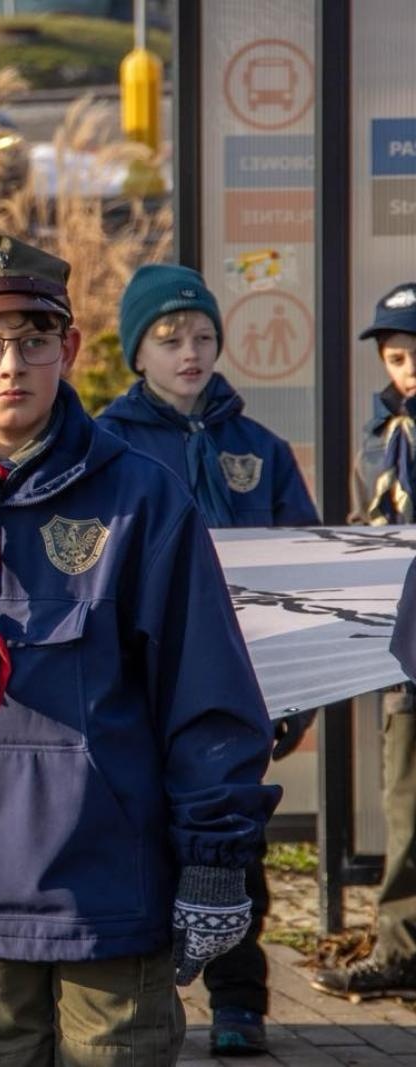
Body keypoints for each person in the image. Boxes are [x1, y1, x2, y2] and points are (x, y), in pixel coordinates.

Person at [0, 235, 280, 1066]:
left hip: (109, 890)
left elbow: (206, 693)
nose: (11, 365)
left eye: (34, 339)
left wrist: (215, 856)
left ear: (69, 349)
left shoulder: (141, 499)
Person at [95, 263, 317, 1055]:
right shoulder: (106, 446)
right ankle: (146, 997)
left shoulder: (258, 448)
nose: (189, 352)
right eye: (168, 339)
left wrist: (299, 689)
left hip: (240, 683)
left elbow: (301, 571)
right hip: (144, 681)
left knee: (232, 840)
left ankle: (239, 999)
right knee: (143, 840)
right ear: (136, 353)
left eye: (202, 336)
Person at [315, 281, 416, 1002]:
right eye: (397, 357)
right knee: (405, 803)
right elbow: (366, 516)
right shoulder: (380, 435)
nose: (409, 370)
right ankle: (402, 948)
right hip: (405, 652)